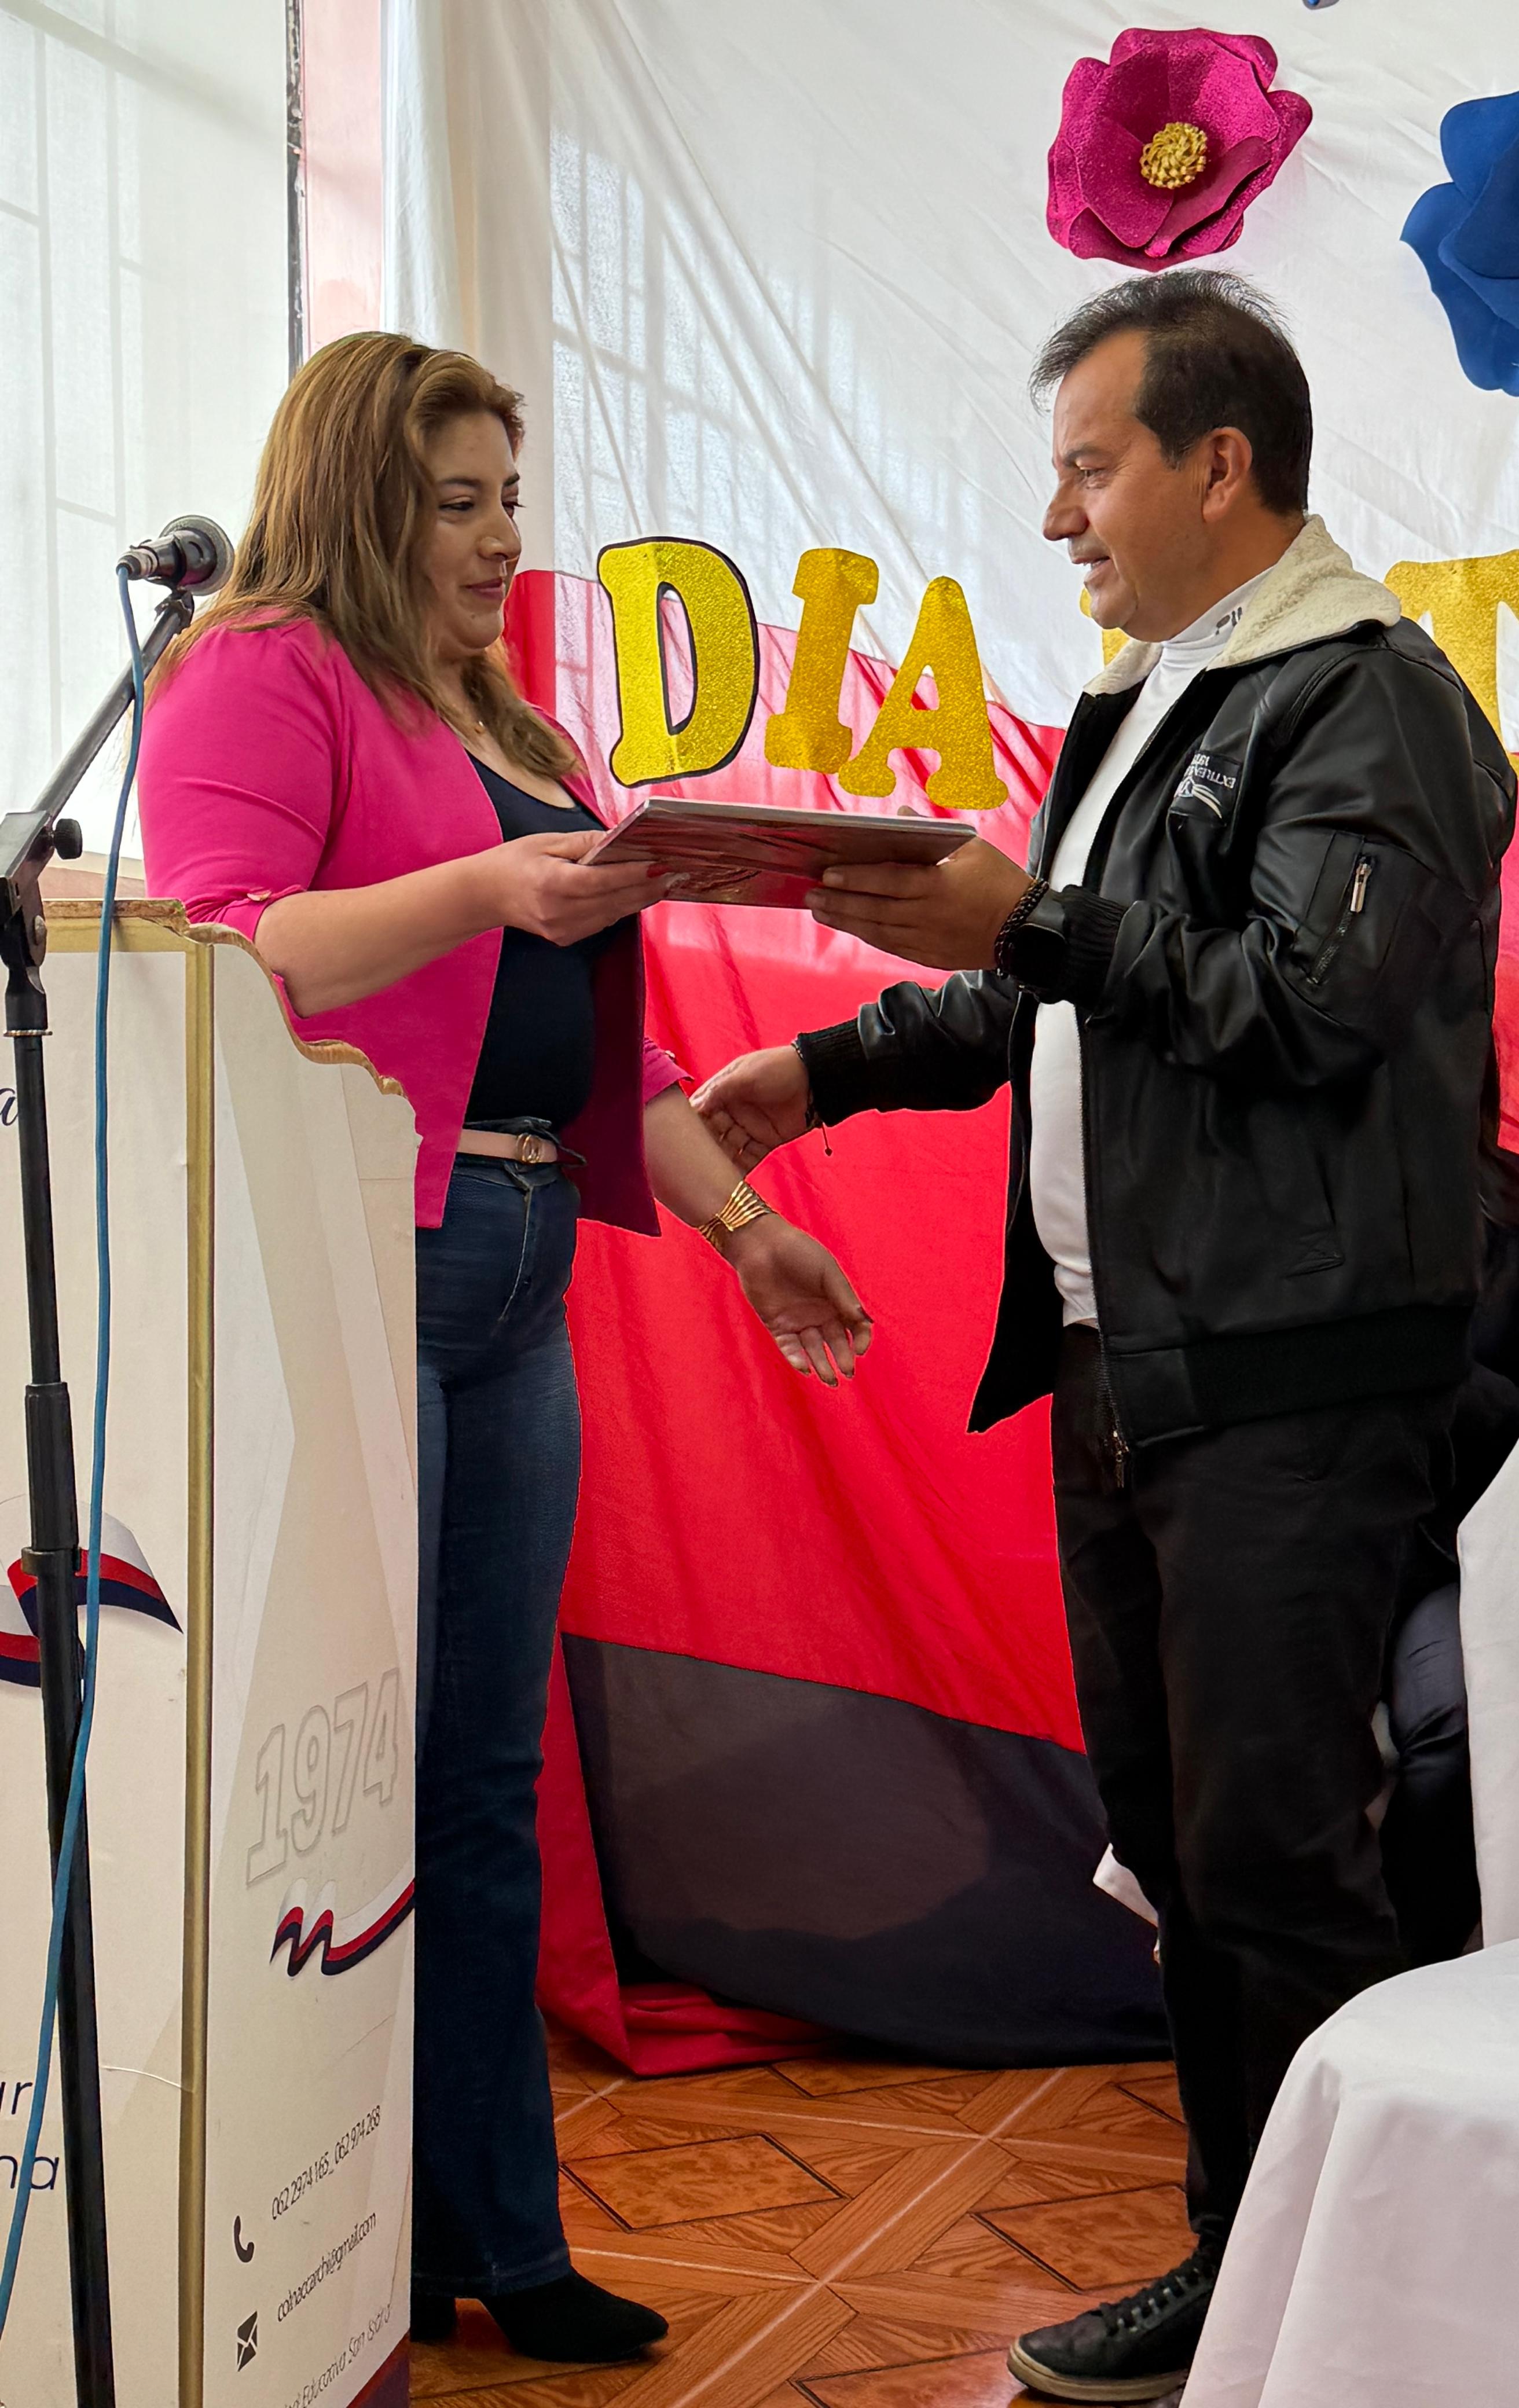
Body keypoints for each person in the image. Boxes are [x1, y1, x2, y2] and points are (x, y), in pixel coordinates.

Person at [696, 268, 1513, 2400]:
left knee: (1276, 1862)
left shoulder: (1367, 696)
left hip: (1285, 1376)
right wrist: (830, 1067)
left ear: (1215, 464)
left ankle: (1356, 2305)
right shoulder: (1167, 694)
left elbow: (1304, 1004)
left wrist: (1032, 916)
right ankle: (1246, 2265)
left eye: (1087, 468)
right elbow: (1052, 987)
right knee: (1175, 1852)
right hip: (1130, 1366)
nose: (1054, 515)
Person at [136, 332, 872, 2368]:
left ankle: (496, 2239)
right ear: (357, 500)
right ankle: (337, 2238)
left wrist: (746, 1227)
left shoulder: (509, 716)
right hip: (366, 1256)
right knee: (352, 1780)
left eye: (508, 501)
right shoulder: (260, 669)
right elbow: (226, 939)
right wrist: (479, 886)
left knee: (477, 1775)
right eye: (454, 503)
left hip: (521, 1260)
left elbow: (610, 1054)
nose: (495, 540)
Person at [1381, 1067, 1519, 1967]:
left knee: (1458, 1728)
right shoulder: (1280, 1207)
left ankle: (1401, 1979)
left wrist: (1438, 1376)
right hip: (1304, 1541)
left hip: (1459, 1550)